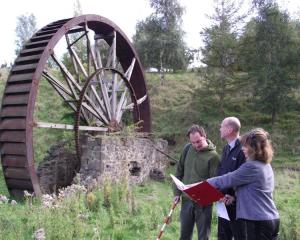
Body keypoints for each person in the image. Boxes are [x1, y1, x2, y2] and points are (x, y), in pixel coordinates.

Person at [207, 128, 280, 240]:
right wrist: (234, 198)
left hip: (258, 223)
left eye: (245, 146)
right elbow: (254, 192)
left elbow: (227, 179)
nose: (242, 149)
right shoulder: (265, 165)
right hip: (269, 219)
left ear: (254, 148)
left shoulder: (251, 167)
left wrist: (202, 183)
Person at [173, 124, 220, 240]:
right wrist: (176, 193)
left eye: (198, 141)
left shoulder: (214, 157)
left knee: (203, 237)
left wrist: (204, 195)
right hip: (186, 200)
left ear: (204, 136)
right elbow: (179, 171)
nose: (195, 145)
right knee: (184, 235)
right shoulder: (188, 149)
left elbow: (215, 182)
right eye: (193, 142)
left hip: (203, 203)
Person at [217, 117, 246, 240]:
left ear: (229, 129)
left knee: (240, 236)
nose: (220, 129)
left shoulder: (243, 150)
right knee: (223, 236)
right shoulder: (226, 148)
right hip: (222, 203)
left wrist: (235, 197)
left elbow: (244, 178)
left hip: (237, 206)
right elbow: (222, 172)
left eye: (222, 126)